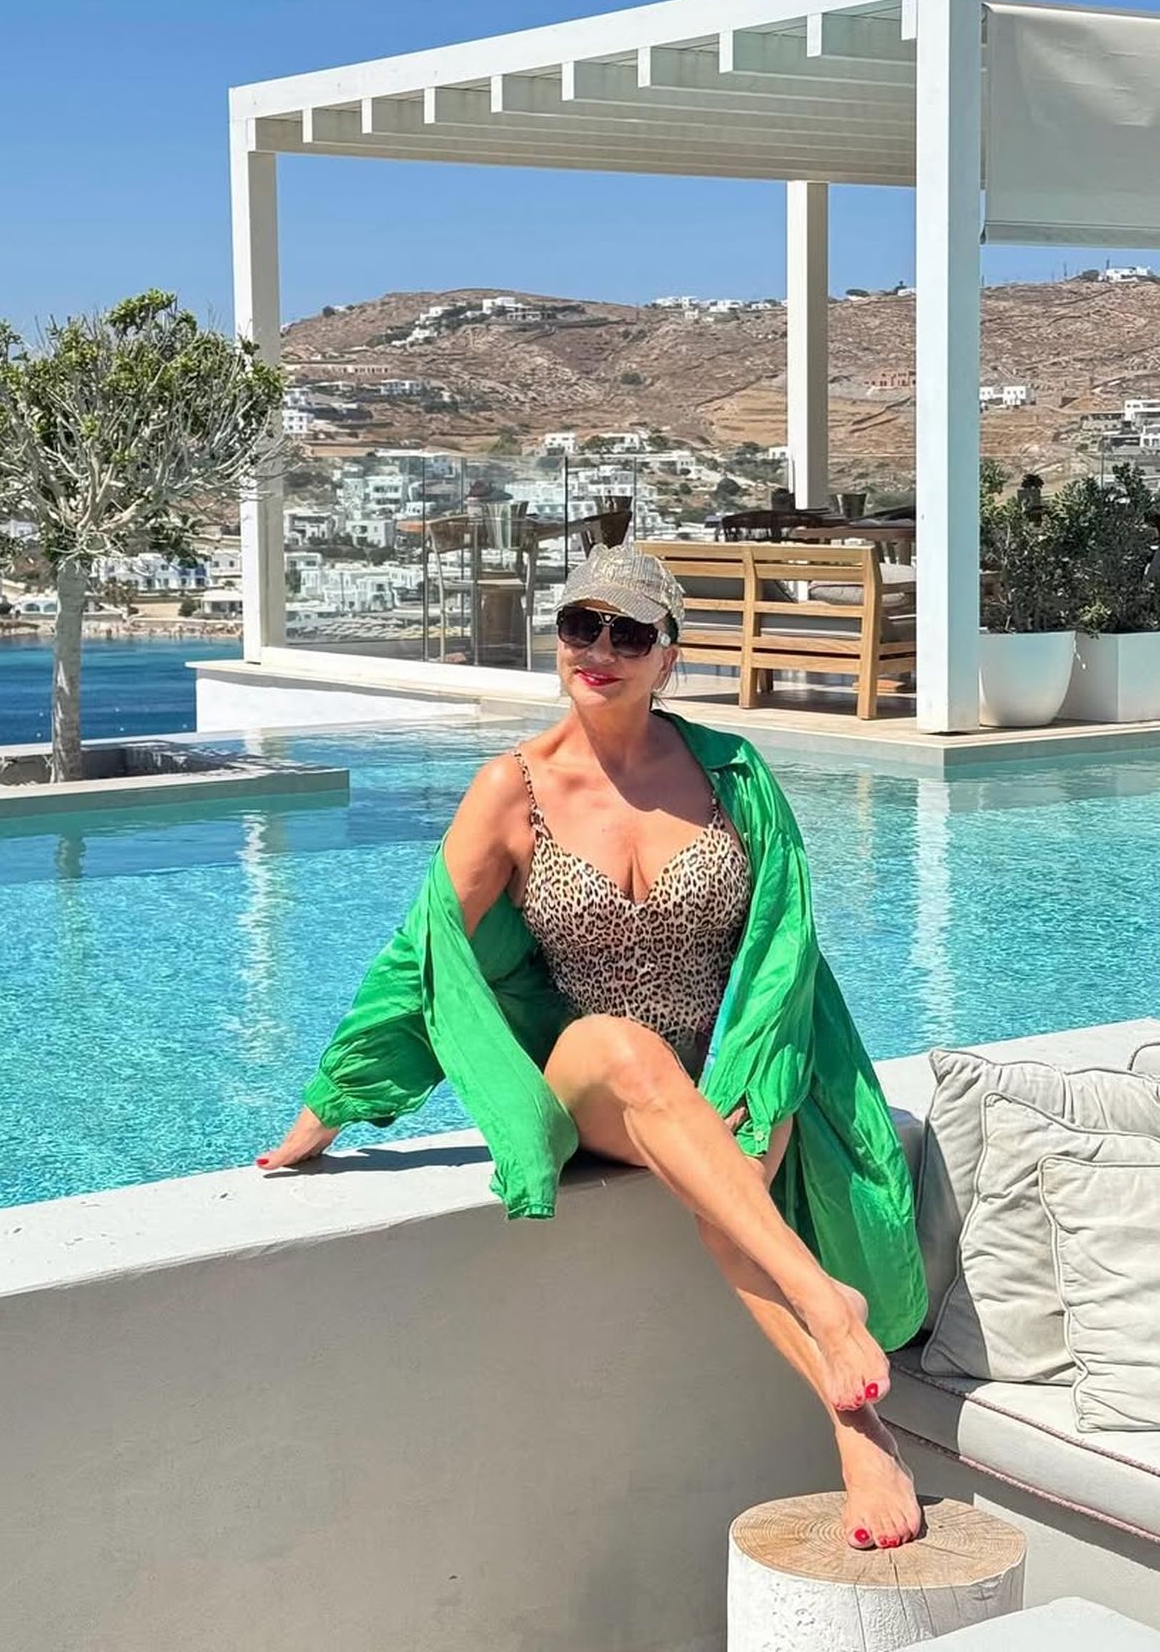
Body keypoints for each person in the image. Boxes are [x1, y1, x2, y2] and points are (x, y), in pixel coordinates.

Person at [257, 543, 928, 1551]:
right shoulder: (511, 788)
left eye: (628, 632)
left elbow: (786, 950)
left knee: (727, 1193)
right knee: (623, 1047)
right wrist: (330, 1107)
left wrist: (757, 1073)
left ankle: (860, 1433)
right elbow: (423, 954)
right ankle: (828, 1307)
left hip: (728, 1069)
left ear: (669, 656)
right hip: (595, 1079)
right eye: (581, 625)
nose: (599, 650)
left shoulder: (734, 775)